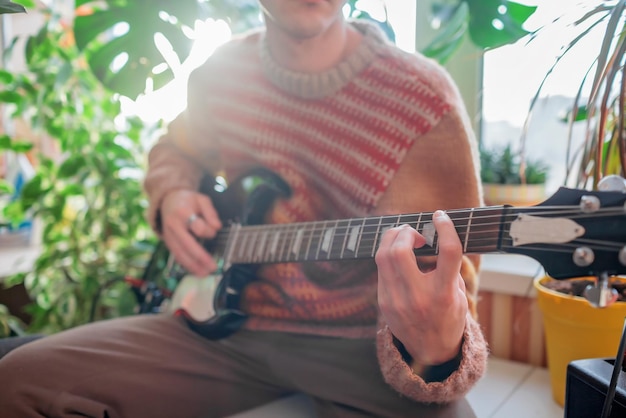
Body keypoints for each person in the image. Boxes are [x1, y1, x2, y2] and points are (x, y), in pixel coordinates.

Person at [0, 1, 488, 417]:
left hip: (364, 351)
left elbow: (446, 293)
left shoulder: (422, 100)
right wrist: (173, 196)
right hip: (225, 335)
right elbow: (175, 149)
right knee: (17, 382)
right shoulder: (221, 72)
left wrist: (436, 350)